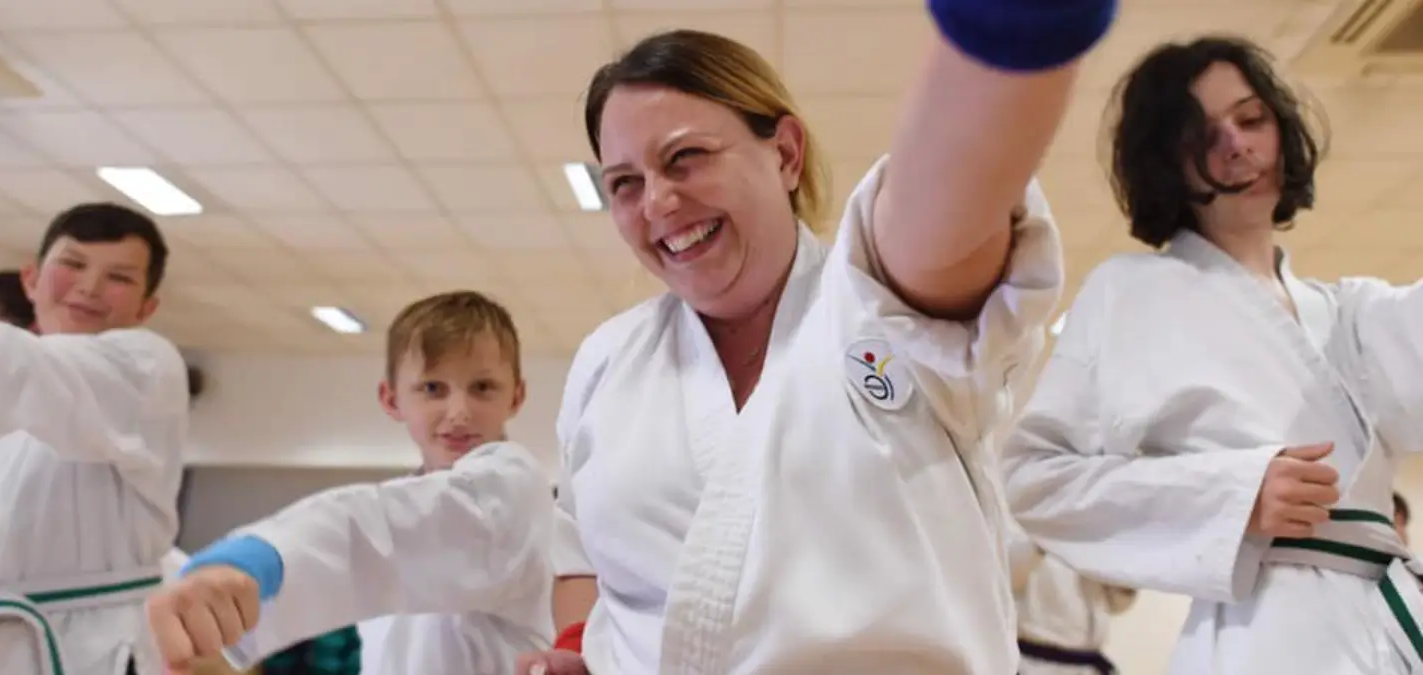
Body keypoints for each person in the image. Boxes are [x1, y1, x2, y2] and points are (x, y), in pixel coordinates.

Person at [520, 1, 1117, 672]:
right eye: (624, 183)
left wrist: (1012, 27)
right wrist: (576, 651)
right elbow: (582, 558)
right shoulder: (607, 360)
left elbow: (938, 206)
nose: (656, 201)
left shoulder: (877, 300)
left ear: (785, 152)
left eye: (684, 157)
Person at [1002, 35, 1423, 675]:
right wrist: (1235, 494)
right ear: (1166, 162)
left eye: (1252, 119)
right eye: (1200, 133)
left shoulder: (1347, 313)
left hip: (1386, 621)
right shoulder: (1133, 292)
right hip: (1268, 633)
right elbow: (1036, 479)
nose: (1236, 144)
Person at [144, 291, 554, 675]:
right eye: (433, 388)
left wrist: (256, 557)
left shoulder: (510, 490)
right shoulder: (408, 505)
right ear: (391, 399)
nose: (459, 411)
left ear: (516, 397)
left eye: (483, 388)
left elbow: (372, 530)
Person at [0, 203, 189, 675]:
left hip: (90, 647)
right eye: (73, 264)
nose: (89, 287)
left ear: (146, 307)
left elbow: (26, 373)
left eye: (119, 277)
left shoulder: (145, 366)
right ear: (31, 280)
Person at [1008, 522, 1135, 675]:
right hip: (1034, 665)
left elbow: (1116, 606)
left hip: (1088, 664)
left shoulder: (1093, 528)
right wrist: (1047, 536)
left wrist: (1126, 579)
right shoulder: (1019, 516)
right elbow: (1004, 579)